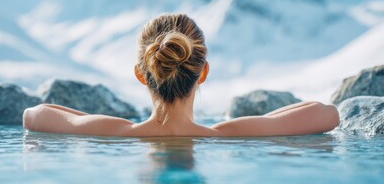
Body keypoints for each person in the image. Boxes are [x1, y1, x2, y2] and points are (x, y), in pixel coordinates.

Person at [23, 14, 340, 137]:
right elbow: (327, 114)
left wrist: (89, 120)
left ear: (140, 74)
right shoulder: (224, 135)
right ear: (202, 73)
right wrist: (264, 122)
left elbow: (33, 115)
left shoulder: (117, 132)